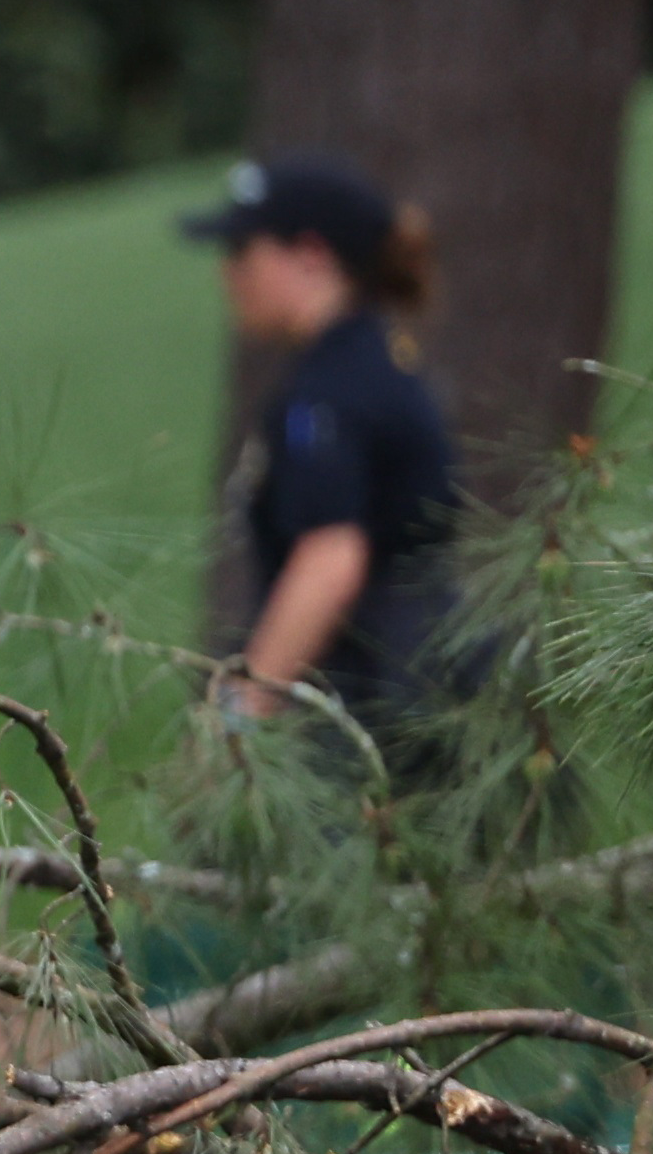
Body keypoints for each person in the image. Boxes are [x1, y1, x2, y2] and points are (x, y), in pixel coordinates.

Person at [192, 153, 458, 744]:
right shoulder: (370, 361)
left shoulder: (330, 393)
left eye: (242, 252)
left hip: (372, 707)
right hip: (421, 680)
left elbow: (330, 555)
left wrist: (245, 710)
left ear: (311, 256)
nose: (227, 275)